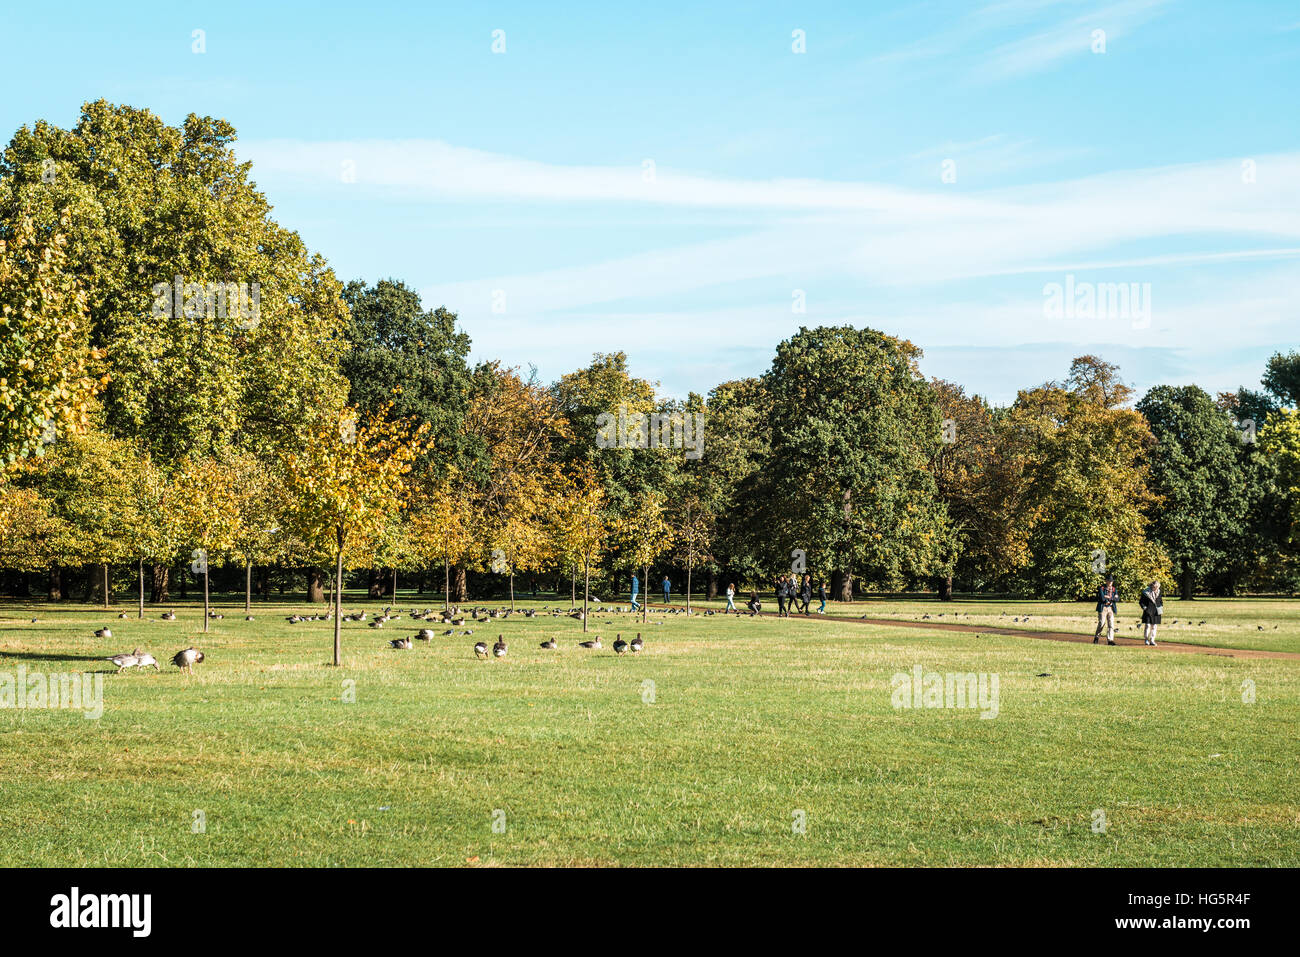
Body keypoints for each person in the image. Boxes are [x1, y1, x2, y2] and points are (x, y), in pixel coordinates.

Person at [1094, 574, 1118, 645]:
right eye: (1109, 581)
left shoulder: (1114, 589)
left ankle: (1110, 640)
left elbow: (1117, 598)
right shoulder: (1101, 588)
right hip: (1103, 607)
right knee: (1102, 623)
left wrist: (1108, 597)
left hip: (1110, 608)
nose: (1110, 582)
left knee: (1111, 624)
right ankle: (1097, 636)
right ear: (1106, 581)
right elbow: (1102, 598)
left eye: (1111, 581)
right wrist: (1111, 598)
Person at [1139, 580, 1162, 646]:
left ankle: (1152, 640)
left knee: (1154, 626)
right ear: (1152, 586)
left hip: (1156, 611)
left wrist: (1160, 609)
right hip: (1148, 611)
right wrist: (1145, 608)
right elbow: (1141, 602)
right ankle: (1146, 639)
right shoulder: (1145, 592)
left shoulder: (1159, 592)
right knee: (1148, 625)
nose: (1156, 589)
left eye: (1158, 587)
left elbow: (1160, 601)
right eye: (1155, 587)